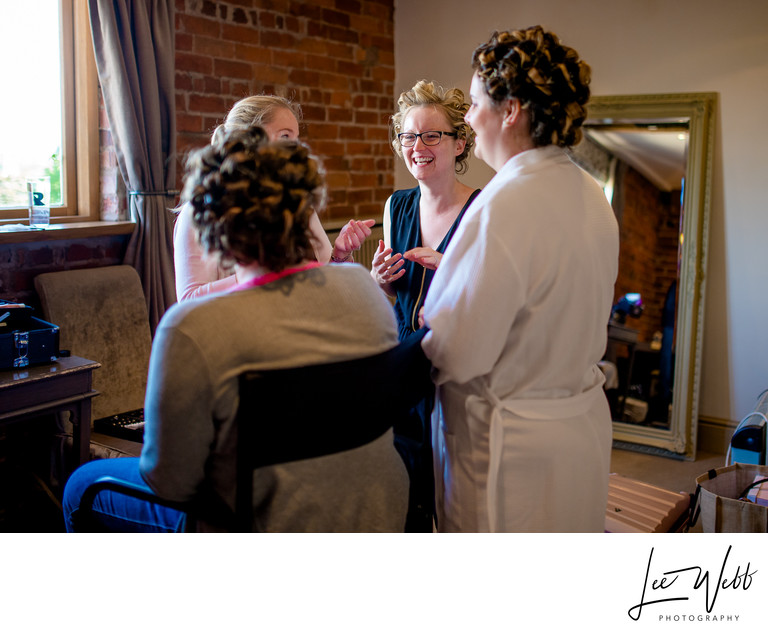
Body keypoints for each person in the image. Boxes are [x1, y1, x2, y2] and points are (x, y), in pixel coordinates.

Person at [63, 127, 409, 532]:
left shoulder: (193, 326)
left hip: (267, 524)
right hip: (376, 512)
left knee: (81, 485)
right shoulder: (365, 292)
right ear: (305, 212)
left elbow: (170, 481)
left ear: (216, 230)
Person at [420, 26, 620, 532]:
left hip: (509, 454)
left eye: (472, 102)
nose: (467, 117)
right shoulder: (590, 193)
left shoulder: (504, 203)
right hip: (577, 434)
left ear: (510, 110)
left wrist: (436, 318)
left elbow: (457, 353)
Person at [371, 80, 480, 532]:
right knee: (407, 484)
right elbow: (397, 296)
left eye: (432, 135)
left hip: (457, 365)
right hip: (406, 361)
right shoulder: (396, 206)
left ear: (459, 143)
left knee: (456, 487)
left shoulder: (482, 209)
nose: (418, 146)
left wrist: (448, 264)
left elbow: (489, 297)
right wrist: (382, 280)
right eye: (409, 136)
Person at [174, 95, 374, 301]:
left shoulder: (299, 202)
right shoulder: (203, 209)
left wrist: (339, 256)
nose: (296, 149)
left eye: (296, 139)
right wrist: (264, 272)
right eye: (285, 137)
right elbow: (189, 299)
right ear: (246, 139)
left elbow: (320, 279)